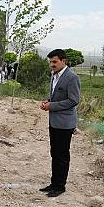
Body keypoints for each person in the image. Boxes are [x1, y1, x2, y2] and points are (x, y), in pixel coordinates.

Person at [39, 49, 81, 197]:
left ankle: (60, 186)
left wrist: (52, 106)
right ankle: (54, 183)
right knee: (55, 153)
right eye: (50, 62)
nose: (52, 64)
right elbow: (57, 96)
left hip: (65, 123)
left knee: (62, 155)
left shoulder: (72, 77)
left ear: (64, 61)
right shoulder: (54, 75)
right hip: (54, 121)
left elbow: (73, 100)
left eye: (55, 62)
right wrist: (48, 102)